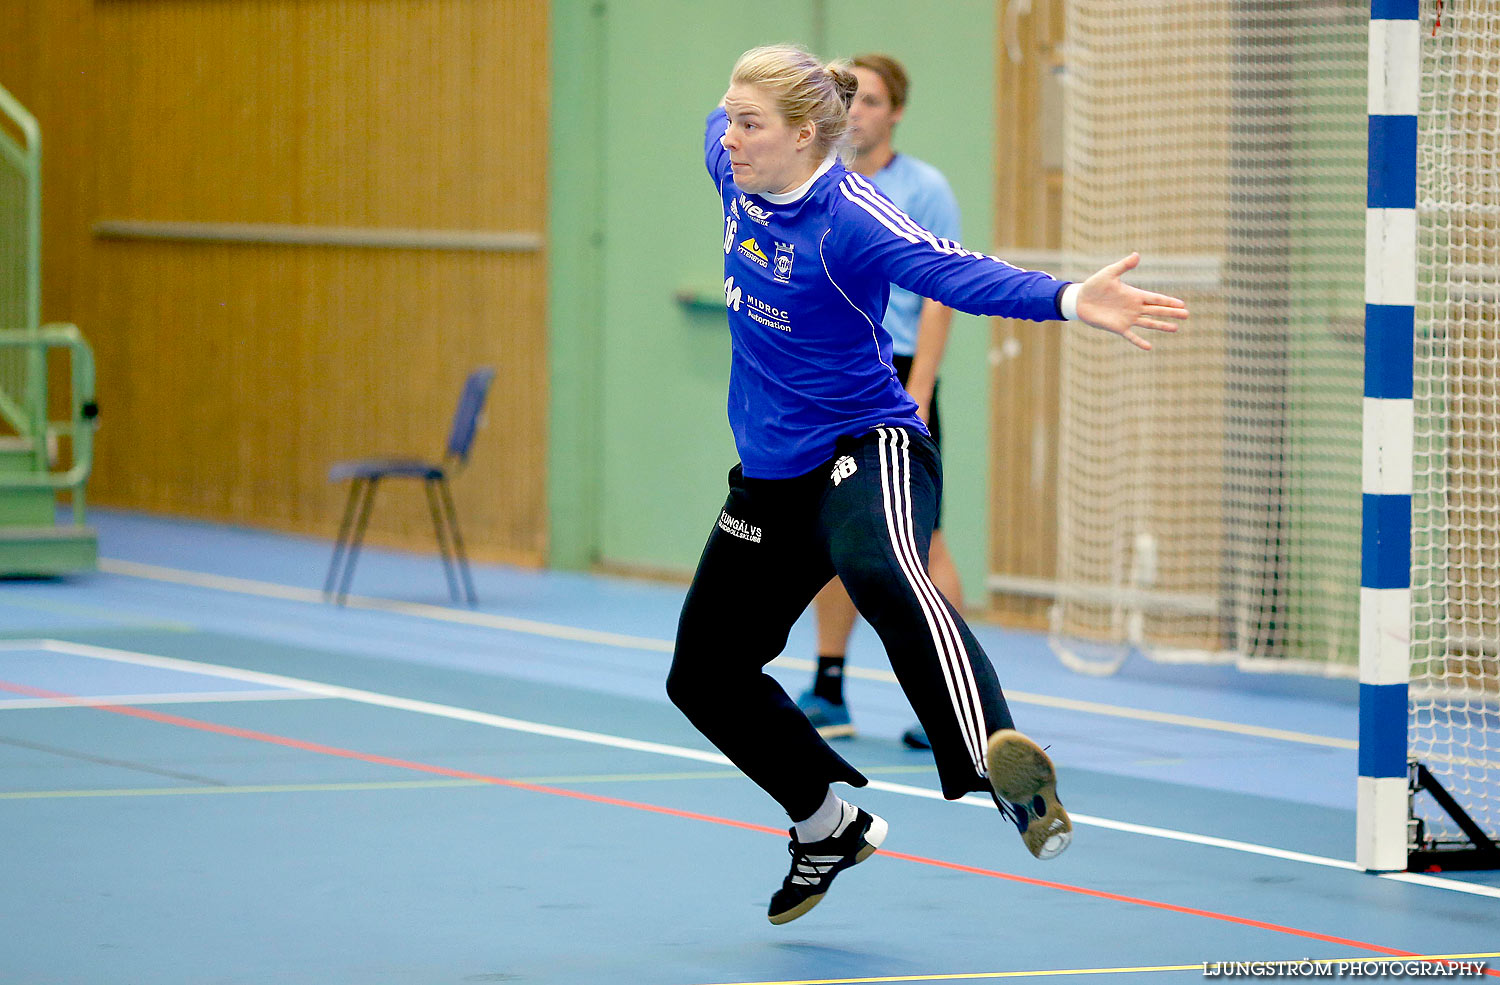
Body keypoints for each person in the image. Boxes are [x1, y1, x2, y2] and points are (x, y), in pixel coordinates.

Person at [665, 44, 1186, 926]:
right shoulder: (734, 160)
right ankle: (826, 824)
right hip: (771, 474)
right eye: (733, 117)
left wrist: (1068, 299)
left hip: (870, 444)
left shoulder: (852, 218)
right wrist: (793, 75)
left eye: (752, 124)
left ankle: (999, 761)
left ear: (803, 138)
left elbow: (955, 271)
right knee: (703, 675)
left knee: (880, 568)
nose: (732, 136)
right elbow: (719, 122)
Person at [794, 53, 963, 750]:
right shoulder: (814, 183)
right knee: (832, 539)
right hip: (829, 379)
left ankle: (950, 702)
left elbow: (940, 295)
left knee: (920, 542)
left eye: (870, 101)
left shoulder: (922, 188)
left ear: (894, 111)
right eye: (848, 99)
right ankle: (828, 686)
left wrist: (919, 389)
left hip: (893, 381)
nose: (857, 110)